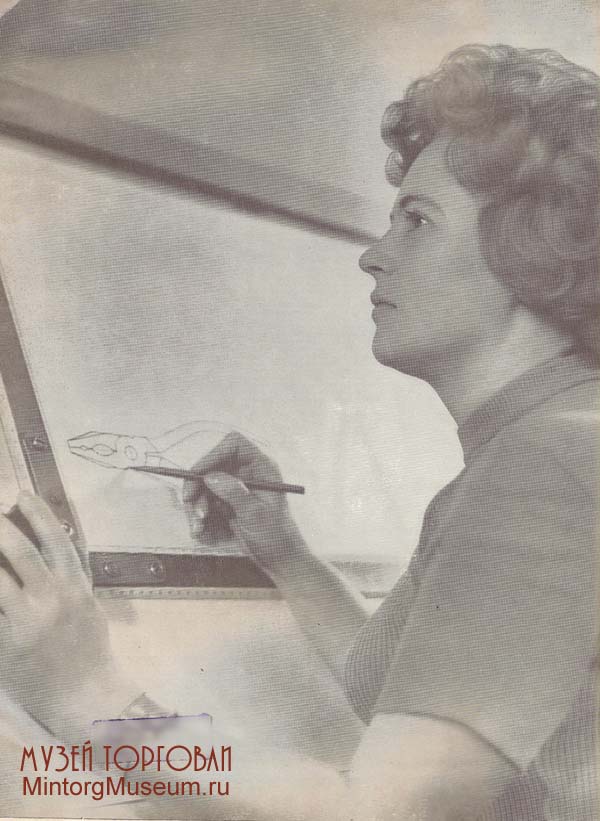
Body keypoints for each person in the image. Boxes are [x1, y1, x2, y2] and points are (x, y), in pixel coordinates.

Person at [0, 44, 598, 820]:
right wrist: (287, 553)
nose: (373, 256)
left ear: (532, 250)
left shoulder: (546, 462)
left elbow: (385, 811)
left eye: (418, 221)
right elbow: (417, 702)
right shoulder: (561, 436)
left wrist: (90, 697)